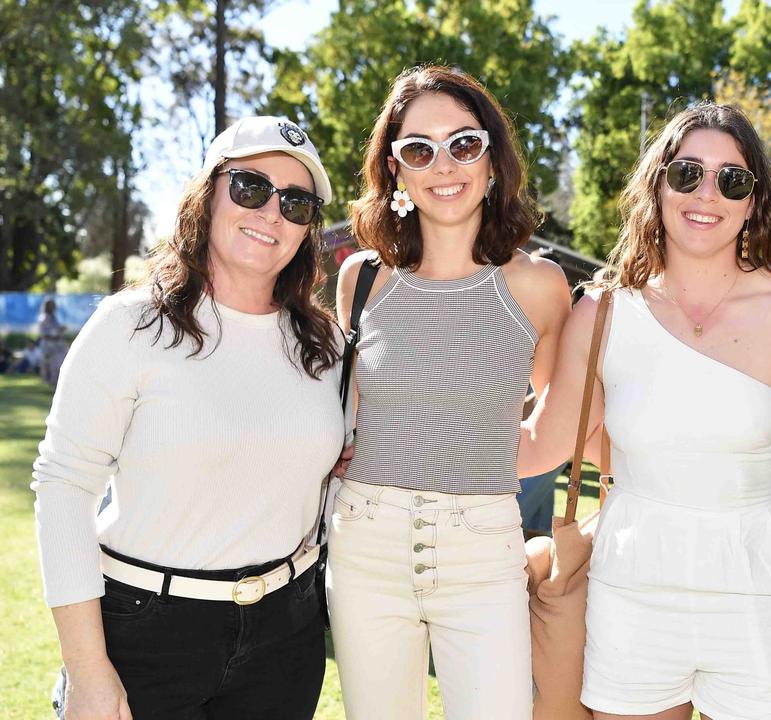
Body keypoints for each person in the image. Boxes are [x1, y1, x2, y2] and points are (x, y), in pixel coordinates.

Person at [520, 102, 771, 720]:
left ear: (754, 202)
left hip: (758, 598)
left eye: (732, 180)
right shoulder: (604, 312)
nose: (707, 194)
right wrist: (398, 435)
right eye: (687, 173)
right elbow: (539, 444)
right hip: (632, 591)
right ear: (658, 184)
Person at [32, 115, 344, 719]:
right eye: (251, 187)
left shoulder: (325, 344)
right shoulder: (129, 325)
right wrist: (89, 672)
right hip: (145, 633)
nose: (271, 213)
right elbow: (64, 487)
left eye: (297, 203)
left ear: (309, 229)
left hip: (287, 634)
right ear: (208, 195)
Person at [328, 65, 570, 720]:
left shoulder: (539, 287)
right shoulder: (360, 279)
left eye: (464, 143)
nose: (444, 164)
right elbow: (345, 420)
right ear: (395, 169)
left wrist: (475, 465)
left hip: (485, 551)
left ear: (493, 157)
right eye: (419, 149)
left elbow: (560, 426)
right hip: (364, 549)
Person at [37, 297, 68, 387]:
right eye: (52, 306)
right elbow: (49, 332)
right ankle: (53, 383)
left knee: (57, 363)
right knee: (52, 365)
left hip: (56, 344)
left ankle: (55, 383)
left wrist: (59, 330)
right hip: (49, 344)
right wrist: (59, 330)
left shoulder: (52, 317)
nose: (54, 307)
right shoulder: (45, 317)